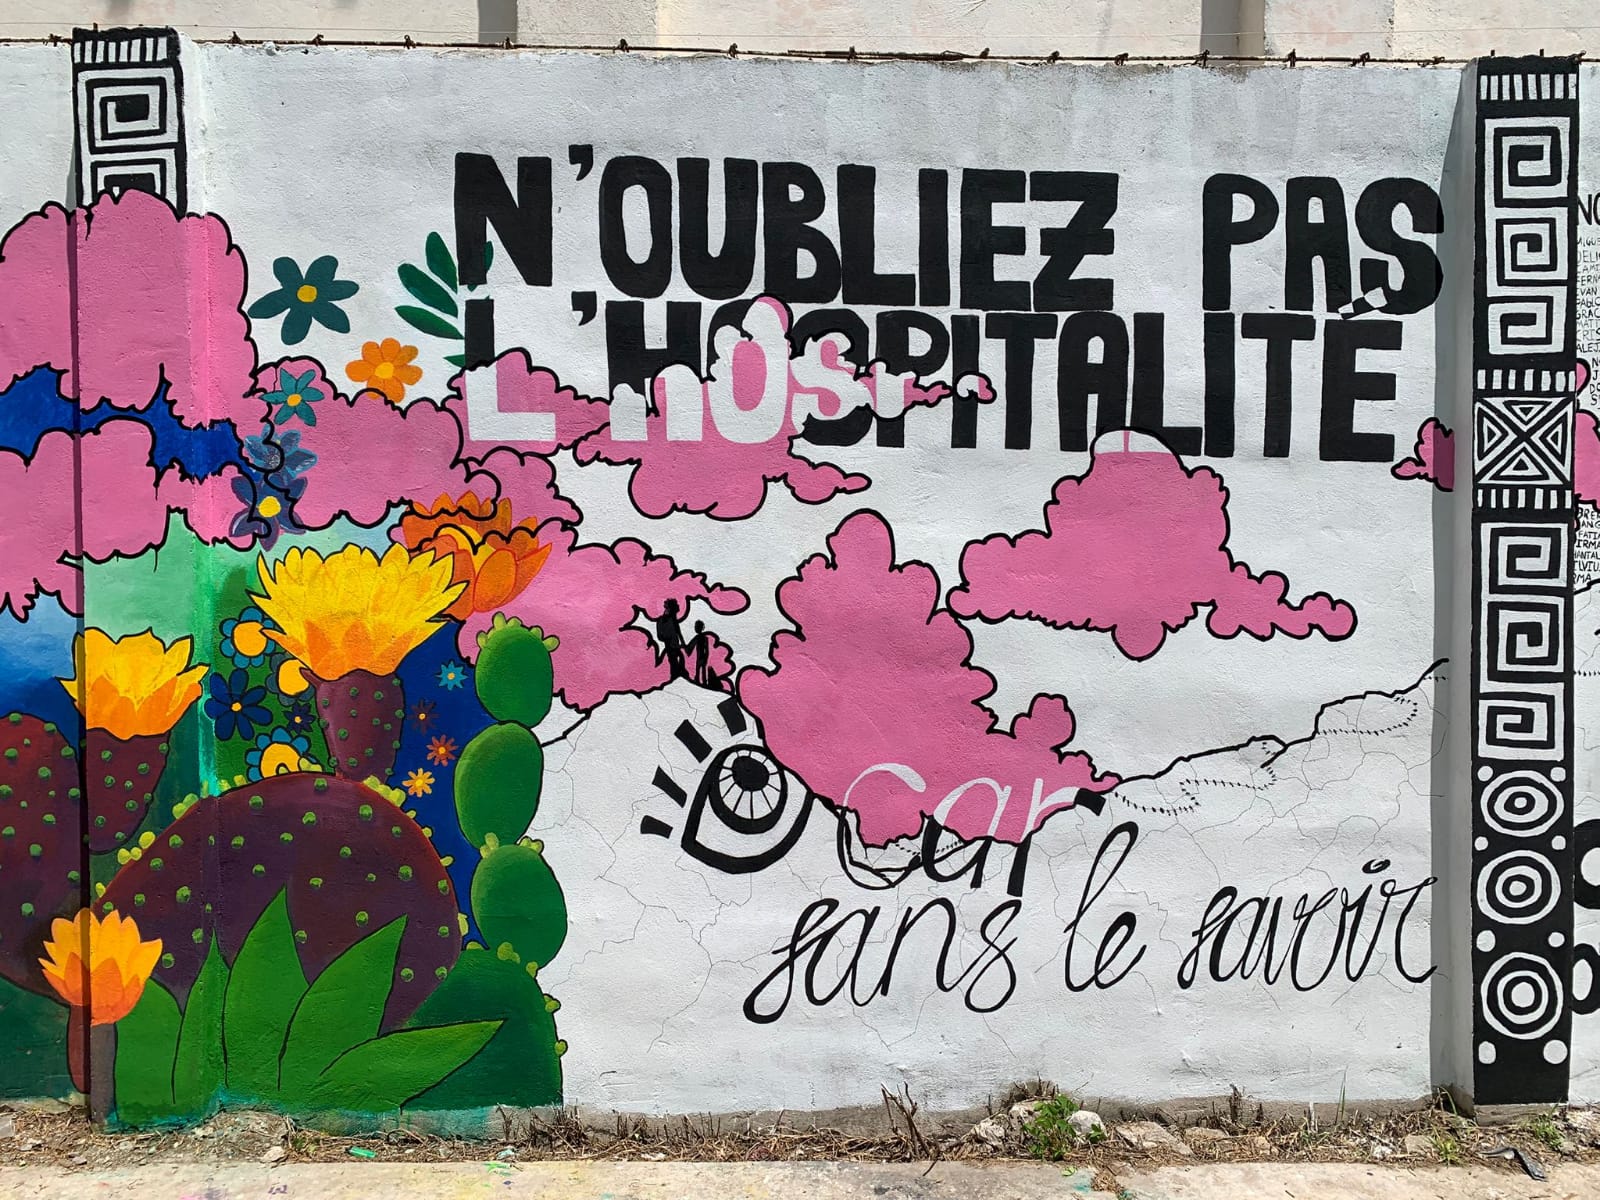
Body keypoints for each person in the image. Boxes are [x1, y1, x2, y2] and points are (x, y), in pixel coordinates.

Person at [655, 598, 688, 679]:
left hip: (674, 645)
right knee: (674, 662)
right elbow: (660, 636)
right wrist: (668, 639)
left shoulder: (672, 619)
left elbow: (678, 632)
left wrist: (683, 644)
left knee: (679, 659)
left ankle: (677, 675)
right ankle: (675, 676)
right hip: (671, 646)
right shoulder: (662, 620)